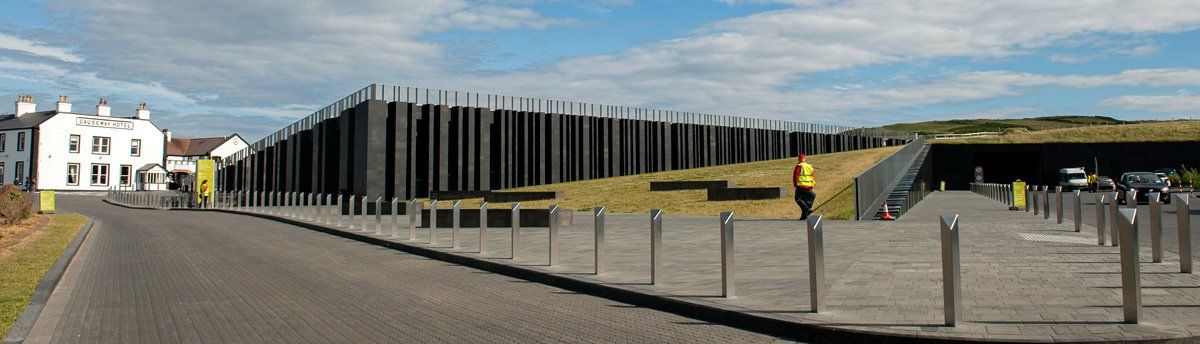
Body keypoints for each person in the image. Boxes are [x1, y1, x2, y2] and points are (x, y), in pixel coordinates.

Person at [792, 153, 816, 220]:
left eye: (801, 158)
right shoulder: (809, 166)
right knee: (805, 200)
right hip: (808, 186)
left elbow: (795, 176)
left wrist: (795, 184)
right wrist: (812, 185)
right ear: (805, 159)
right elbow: (812, 177)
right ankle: (804, 216)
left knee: (798, 199)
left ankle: (807, 209)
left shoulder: (799, 166)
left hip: (801, 186)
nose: (801, 159)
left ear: (799, 159)